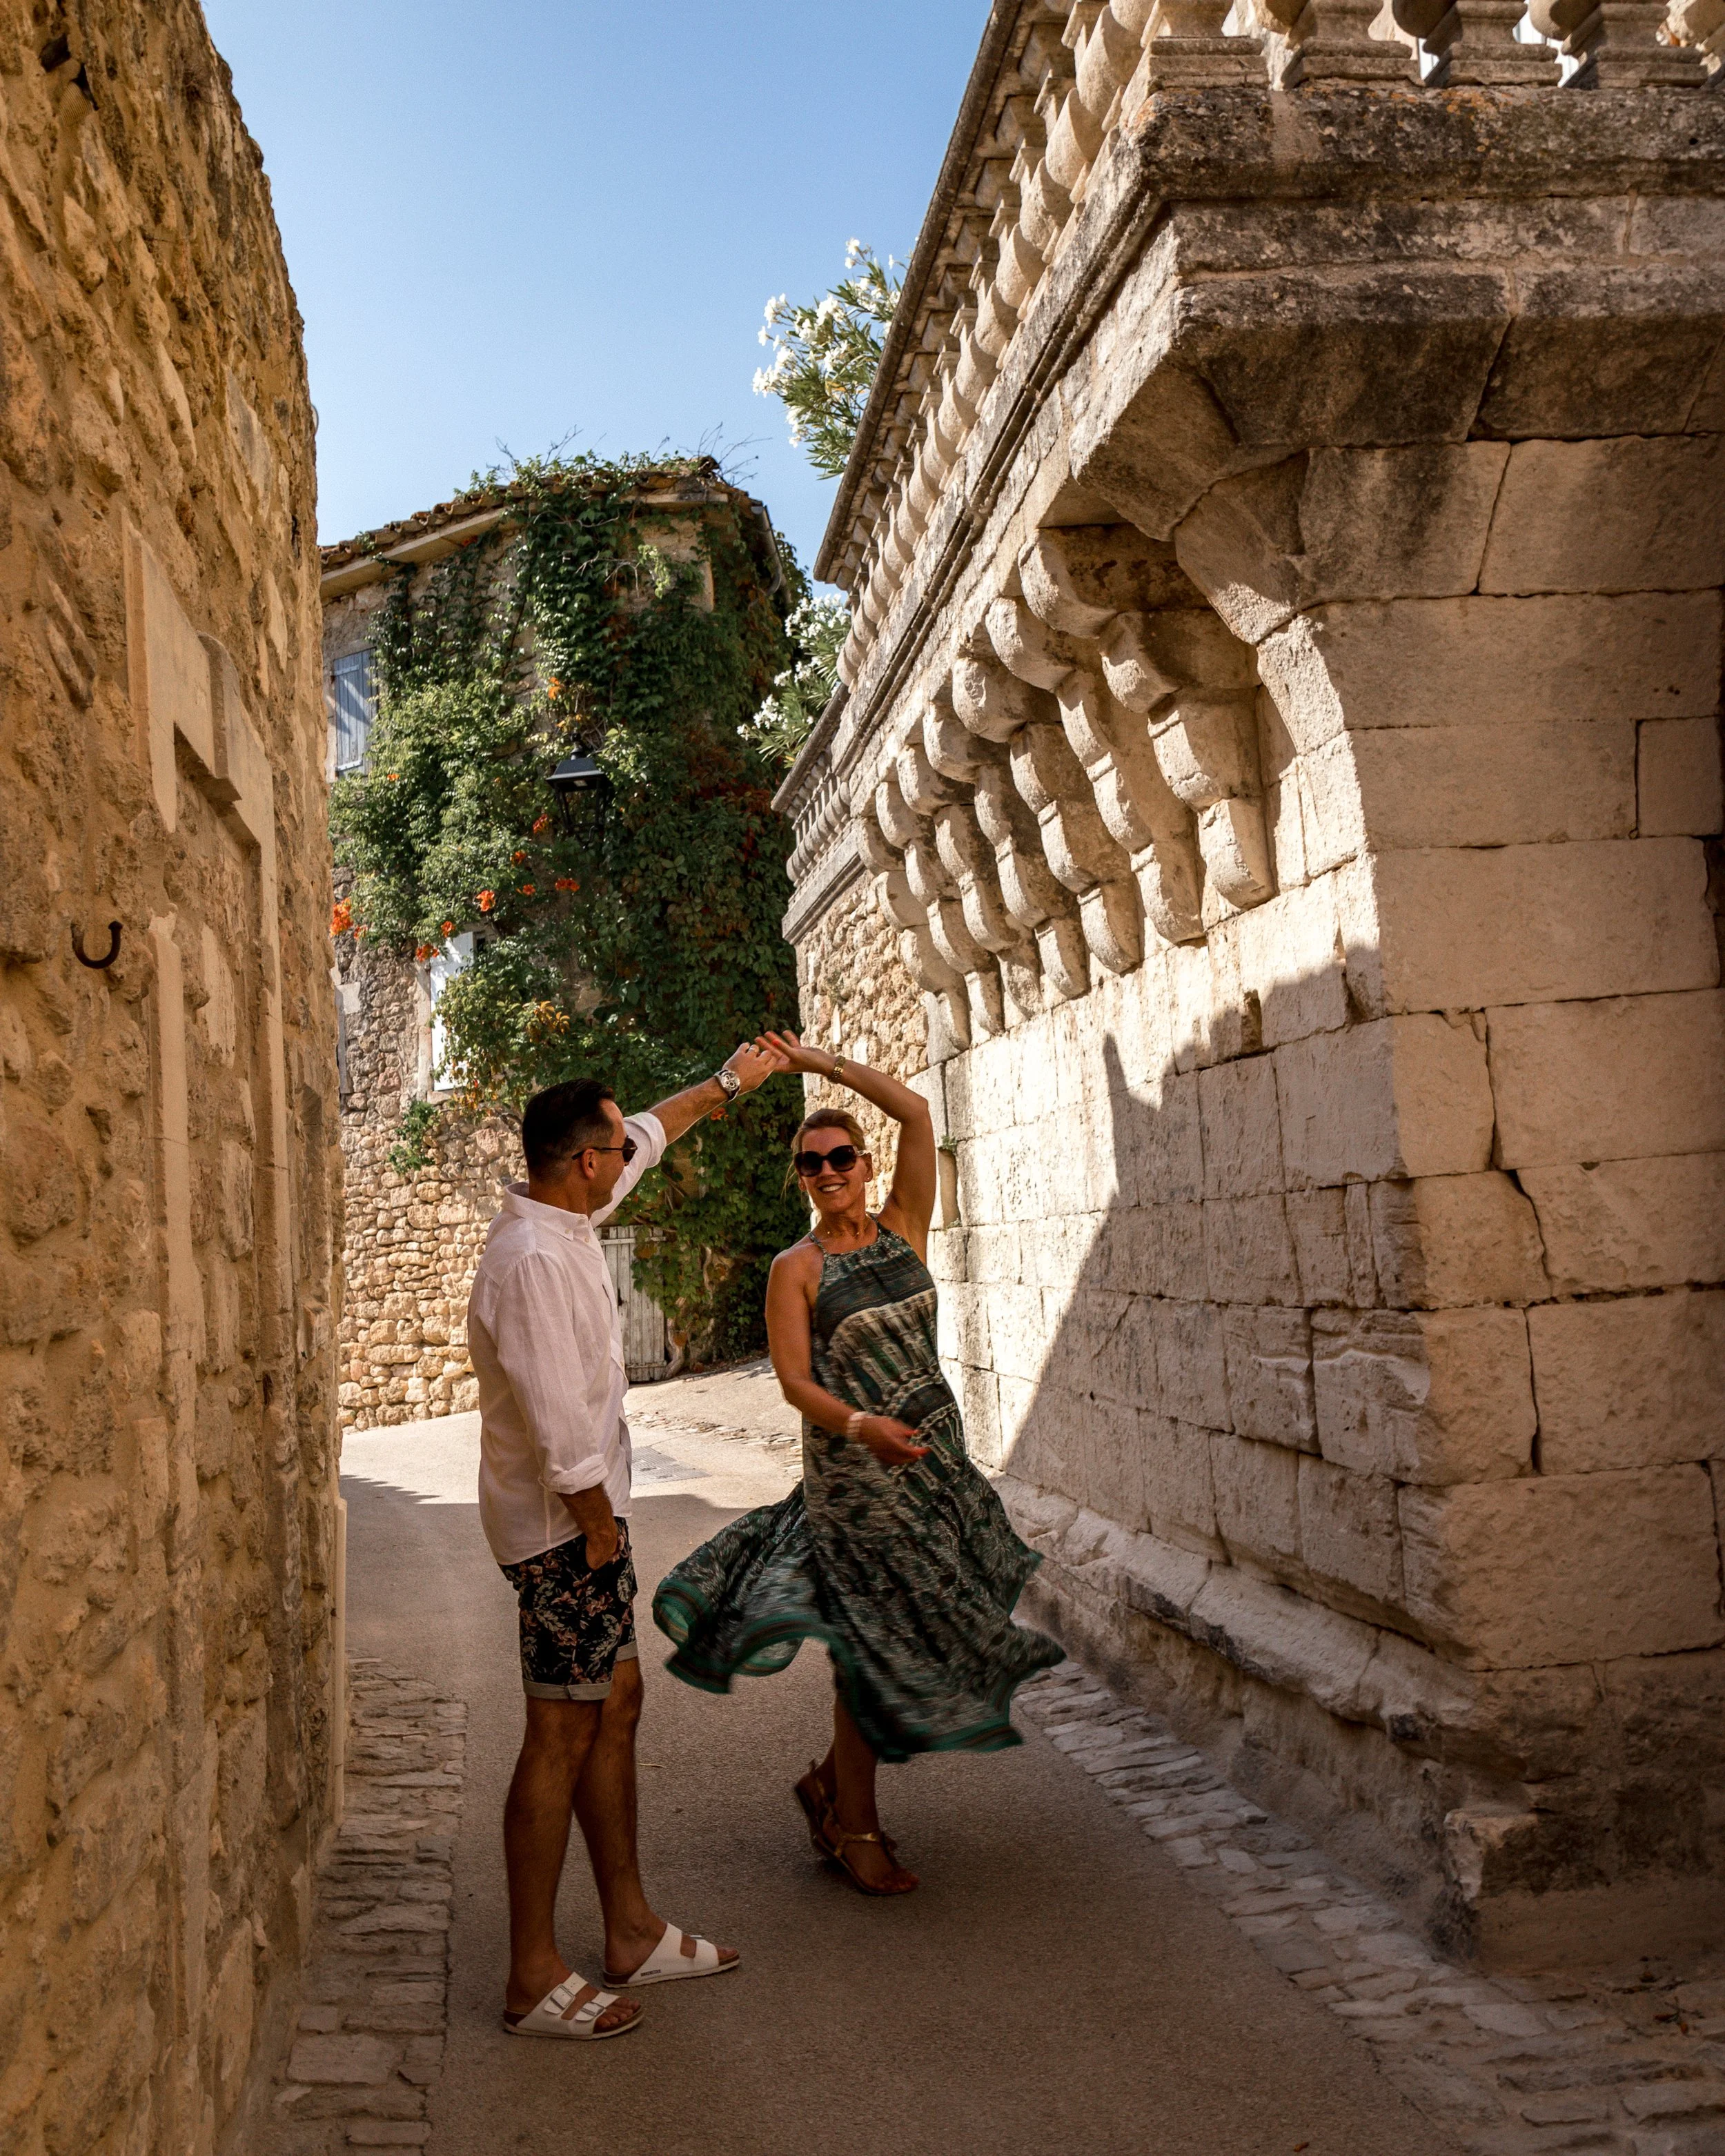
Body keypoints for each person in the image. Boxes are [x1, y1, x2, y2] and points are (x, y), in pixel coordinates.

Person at [652, 1031, 1062, 1896]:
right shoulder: (794, 1269)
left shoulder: (906, 1225)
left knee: (935, 1620)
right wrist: (862, 1423)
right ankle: (855, 1825)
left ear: (865, 1163)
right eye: (812, 1163)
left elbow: (915, 1109)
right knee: (869, 1641)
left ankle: (832, 1787)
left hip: (935, 1465)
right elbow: (795, 1383)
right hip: (855, 1480)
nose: (829, 1170)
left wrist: (817, 1066)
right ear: (800, 1178)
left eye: (840, 1156)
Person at [466, 1042, 783, 2040]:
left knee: (619, 1701)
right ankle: (529, 1975)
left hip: (590, 1525)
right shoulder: (528, 1263)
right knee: (560, 1730)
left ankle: (631, 1928)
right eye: (614, 1145)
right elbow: (560, 1429)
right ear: (582, 1164)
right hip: (568, 1532)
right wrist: (601, 1534)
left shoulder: (570, 1211)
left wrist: (732, 1083)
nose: (627, 1151)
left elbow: (657, 1123)